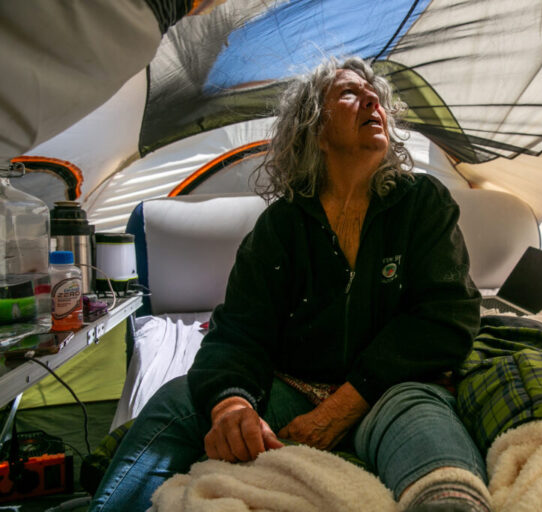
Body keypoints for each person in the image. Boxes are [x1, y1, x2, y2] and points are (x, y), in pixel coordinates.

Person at [89, 56, 491, 512]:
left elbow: (447, 315)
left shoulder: (422, 203)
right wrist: (231, 405)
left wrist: (343, 406)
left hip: (392, 390)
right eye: (350, 92)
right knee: (178, 400)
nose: (372, 100)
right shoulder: (280, 227)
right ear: (315, 129)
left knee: (445, 484)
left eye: (375, 95)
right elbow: (238, 333)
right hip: (292, 389)